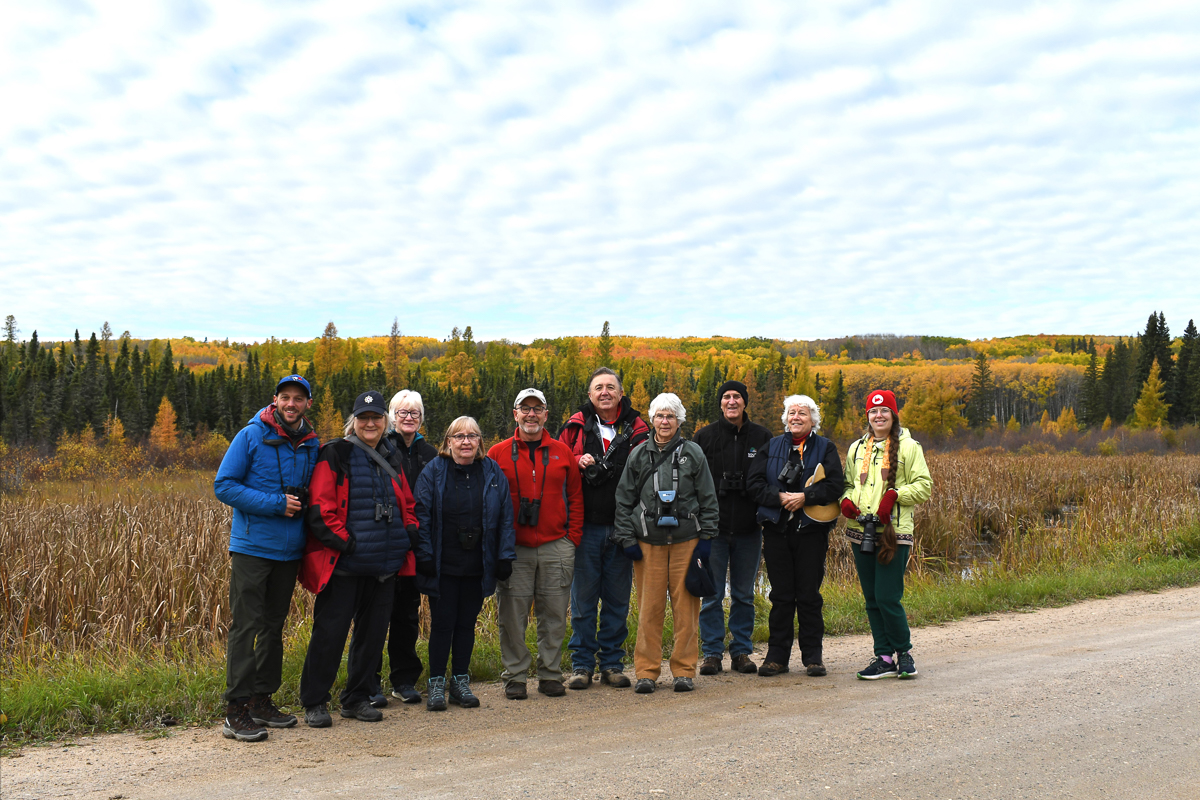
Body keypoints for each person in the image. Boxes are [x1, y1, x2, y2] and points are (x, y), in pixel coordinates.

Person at [297, 390, 419, 726]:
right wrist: (348, 545)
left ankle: (356, 698)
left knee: (372, 636)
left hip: (384, 566)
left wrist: (407, 535)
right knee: (329, 635)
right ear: (354, 421)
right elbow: (321, 509)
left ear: (385, 421)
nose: (370, 423)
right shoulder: (336, 453)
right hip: (345, 566)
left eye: (376, 418)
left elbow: (407, 503)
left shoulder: (391, 455)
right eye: (363, 418)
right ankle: (315, 701)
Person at [214, 374, 319, 742]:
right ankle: (235, 710)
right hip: (252, 548)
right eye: (285, 397)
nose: (292, 404)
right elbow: (223, 485)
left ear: (307, 403)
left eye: (299, 399)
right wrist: (276, 504)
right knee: (246, 626)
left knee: (273, 628)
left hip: (290, 551)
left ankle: (261, 700)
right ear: (275, 400)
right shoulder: (251, 436)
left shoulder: (311, 442)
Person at [613, 393, 719, 694]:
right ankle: (646, 672)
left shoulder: (693, 454)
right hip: (648, 543)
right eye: (660, 416)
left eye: (670, 416)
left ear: (679, 420)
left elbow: (709, 500)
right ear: (652, 419)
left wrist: (706, 540)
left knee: (687, 611)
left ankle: (684, 671)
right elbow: (623, 500)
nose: (664, 421)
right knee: (649, 609)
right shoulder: (638, 454)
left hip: (687, 540)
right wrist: (627, 538)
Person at [412, 416, 517, 711]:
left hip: (477, 562)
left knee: (466, 625)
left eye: (472, 436)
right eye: (459, 436)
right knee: (443, 624)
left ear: (480, 442)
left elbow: (505, 517)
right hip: (442, 562)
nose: (466, 441)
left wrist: (504, 555)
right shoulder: (433, 471)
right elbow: (422, 515)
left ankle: (460, 681)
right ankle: (436, 684)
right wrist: (424, 554)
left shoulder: (492, 471)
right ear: (448, 441)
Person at [487, 388, 584, 699]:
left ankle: (550, 674)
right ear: (515, 414)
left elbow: (576, 498)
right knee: (512, 617)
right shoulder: (497, 453)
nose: (531, 415)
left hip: (557, 545)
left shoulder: (562, 452)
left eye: (537, 409)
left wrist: (572, 540)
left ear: (546, 414)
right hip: (513, 548)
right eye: (524, 409)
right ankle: (514, 676)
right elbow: (488, 502)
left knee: (554, 615)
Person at [558, 367, 650, 690]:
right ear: (590, 394)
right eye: (599, 388)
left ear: (621, 393)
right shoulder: (576, 426)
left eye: (611, 387)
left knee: (617, 600)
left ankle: (612, 663)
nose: (605, 392)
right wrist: (576, 459)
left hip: (623, 527)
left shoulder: (638, 427)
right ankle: (581, 665)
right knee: (582, 601)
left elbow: (650, 470)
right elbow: (557, 462)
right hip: (585, 527)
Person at [746, 395, 844, 677]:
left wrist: (805, 497)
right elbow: (753, 484)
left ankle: (813, 658)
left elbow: (835, 484)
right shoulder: (772, 445)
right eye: (791, 413)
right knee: (781, 596)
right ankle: (777, 658)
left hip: (812, 531)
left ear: (813, 419)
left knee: (809, 595)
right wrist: (779, 498)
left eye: (802, 413)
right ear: (785, 418)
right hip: (777, 530)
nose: (796, 417)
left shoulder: (825, 447)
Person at [840, 389, 932, 680]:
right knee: (870, 598)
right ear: (867, 416)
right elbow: (848, 484)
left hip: (894, 532)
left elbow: (924, 486)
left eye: (884, 411)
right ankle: (883, 657)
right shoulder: (857, 448)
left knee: (887, 597)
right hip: (860, 531)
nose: (878, 416)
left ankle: (904, 653)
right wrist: (846, 502)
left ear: (893, 415)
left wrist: (894, 495)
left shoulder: (909, 446)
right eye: (873, 412)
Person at [363, 390, 438, 707]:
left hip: (416, 543)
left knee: (407, 614)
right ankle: (368, 683)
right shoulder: (380, 448)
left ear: (421, 419)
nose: (409, 418)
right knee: (374, 616)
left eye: (415, 413)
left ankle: (404, 679)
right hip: (383, 543)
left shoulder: (429, 452)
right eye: (403, 413)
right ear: (391, 416)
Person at [692, 380, 772, 676]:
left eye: (737, 396)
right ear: (720, 402)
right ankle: (712, 652)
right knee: (711, 593)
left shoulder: (762, 436)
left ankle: (741, 650)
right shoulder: (704, 437)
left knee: (743, 594)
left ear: (744, 401)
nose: (731, 401)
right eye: (726, 396)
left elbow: (770, 478)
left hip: (749, 528)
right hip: (713, 529)